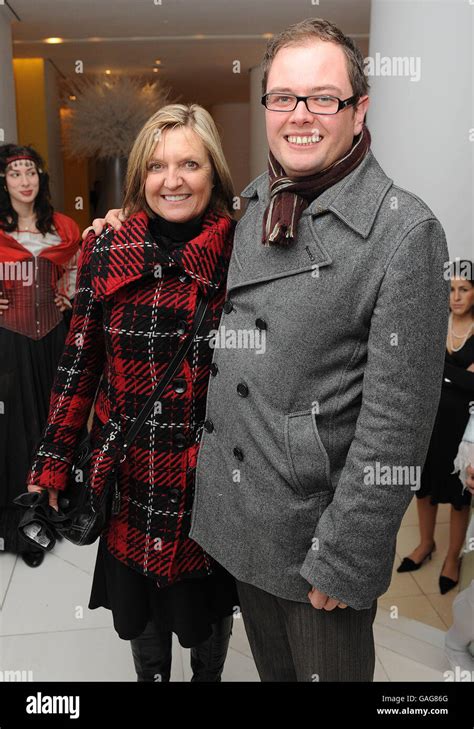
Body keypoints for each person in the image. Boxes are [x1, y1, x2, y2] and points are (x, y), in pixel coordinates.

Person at [92, 19, 451, 682]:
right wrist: (122, 227)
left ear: (359, 108)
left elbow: (397, 423)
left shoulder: (405, 233)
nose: (300, 116)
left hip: (316, 536)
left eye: (323, 97)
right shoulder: (254, 207)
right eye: (284, 97)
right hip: (240, 523)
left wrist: (347, 553)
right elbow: (178, 233)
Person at [26, 104, 238, 682]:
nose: (172, 180)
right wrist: (52, 465)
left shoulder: (243, 259)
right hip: (127, 477)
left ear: (213, 173)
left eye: (189, 163)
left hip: (210, 484)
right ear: (139, 177)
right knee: (141, 623)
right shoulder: (106, 250)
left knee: (208, 620)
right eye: (157, 165)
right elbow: (78, 366)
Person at [0, 144, 79, 568]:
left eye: (31, 172)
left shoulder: (64, 227)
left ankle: (53, 514)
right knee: (14, 426)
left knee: (55, 420)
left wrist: (69, 298)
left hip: (53, 337)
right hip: (8, 340)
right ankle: (21, 525)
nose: (25, 181)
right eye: (15, 174)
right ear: (4, 182)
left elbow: (81, 272)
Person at [397, 266, 474, 594]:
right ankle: (426, 544)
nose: (455, 297)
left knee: (459, 497)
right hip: (425, 423)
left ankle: (453, 558)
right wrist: (459, 374)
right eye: (451, 289)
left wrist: (438, 369)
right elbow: (413, 369)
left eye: (464, 289)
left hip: (462, 430)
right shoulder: (433, 324)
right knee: (424, 488)